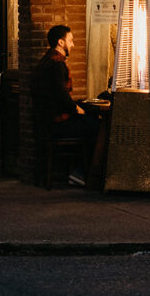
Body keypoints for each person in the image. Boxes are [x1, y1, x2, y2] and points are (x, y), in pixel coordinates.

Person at [30, 25, 97, 186]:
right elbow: (61, 94)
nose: (73, 45)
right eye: (71, 40)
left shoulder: (45, 61)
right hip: (56, 123)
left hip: (44, 123)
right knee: (96, 128)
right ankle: (81, 173)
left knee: (89, 123)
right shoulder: (57, 64)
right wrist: (76, 109)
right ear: (61, 42)